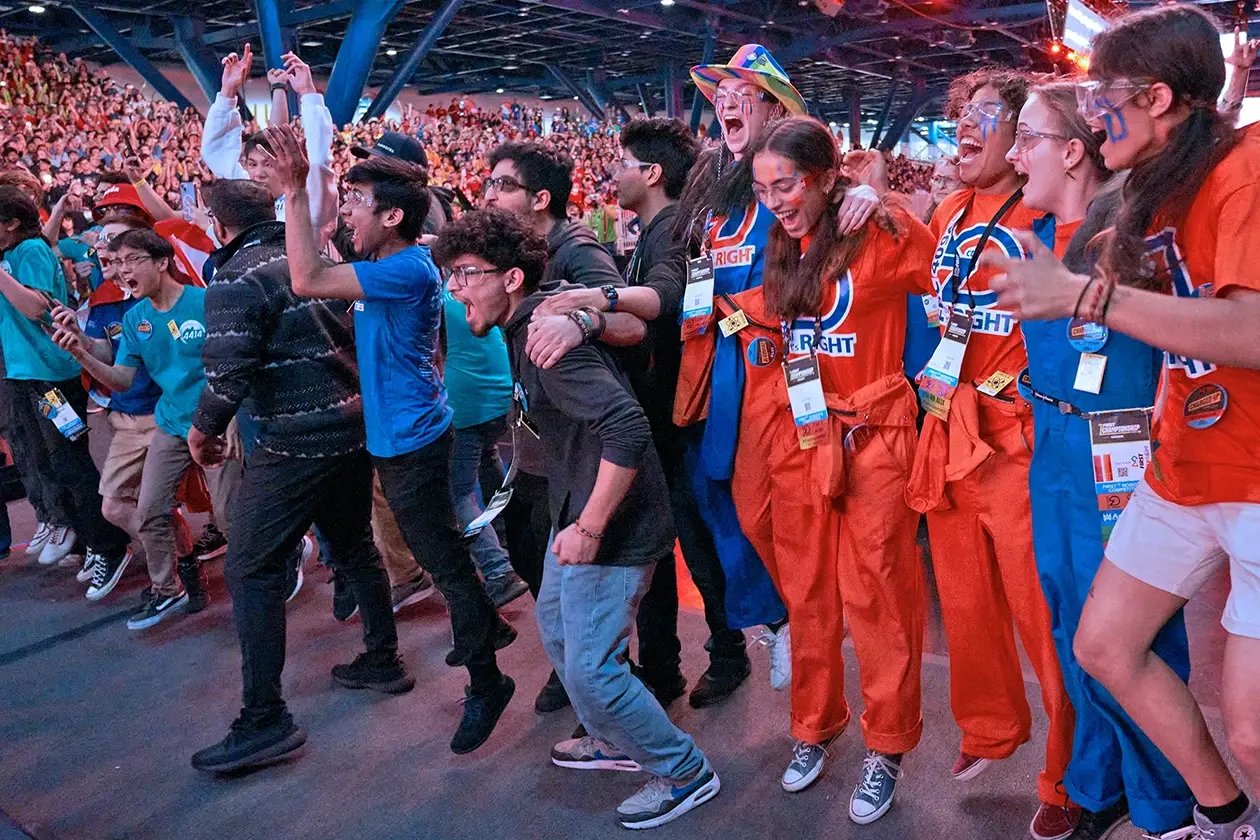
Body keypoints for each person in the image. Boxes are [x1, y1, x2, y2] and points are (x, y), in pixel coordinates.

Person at [985, 6, 1260, 836]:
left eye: (1099, 93)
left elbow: (1250, 331)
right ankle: (1223, 814)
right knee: (1103, 644)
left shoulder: (1244, 170)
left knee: (1252, 727)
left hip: (1254, 478)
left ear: (1158, 97)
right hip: (1186, 466)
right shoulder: (1153, 185)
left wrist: (1087, 296)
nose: (1090, 113)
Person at [434, 207, 720, 830]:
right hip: (576, 507)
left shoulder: (546, 341)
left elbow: (627, 428)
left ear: (511, 278)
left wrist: (589, 526)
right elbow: (629, 329)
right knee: (558, 628)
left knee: (592, 671)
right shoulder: (536, 319)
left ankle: (685, 771)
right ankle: (615, 739)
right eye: (450, 276)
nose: (455, 290)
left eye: (466, 274)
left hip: (613, 523)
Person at [269, 124, 514, 754]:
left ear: (394, 216)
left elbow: (306, 278)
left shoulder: (402, 269)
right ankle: (486, 627)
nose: (349, 212)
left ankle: (487, 680)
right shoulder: (390, 262)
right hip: (405, 431)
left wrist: (294, 191)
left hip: (411, 439)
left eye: (360, 203)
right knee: (444, 553)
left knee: (445, 562)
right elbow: (326, 250)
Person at [718, 116, 930, 822]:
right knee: (807, 594)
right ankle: (813, 724)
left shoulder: (876, 231)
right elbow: (773, 313)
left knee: (879, 597)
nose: (774, 201)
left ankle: (887, 745)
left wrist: (886, 200)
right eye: (762, 189)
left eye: (786, 185)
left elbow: (940, 266)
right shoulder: (785, 243)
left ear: (825, 177)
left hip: (873, 439)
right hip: (804, 436)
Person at [1003, 80, 1195, 840]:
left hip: (1119, 453)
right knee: (1067, 624)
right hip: (1053, 449)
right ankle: (1098, 781)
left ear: (1072, 152)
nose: (1015, 155)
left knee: (1133, 637)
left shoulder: (1133, 236)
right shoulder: (1033, 237)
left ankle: (1166, 802)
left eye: (1028, 139)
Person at [185, 178, 411, 774]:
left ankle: (264, 719)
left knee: (250, 566)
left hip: (295, 439)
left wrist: (203, 432)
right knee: (354, 545)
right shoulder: (313, 259)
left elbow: (227, 374)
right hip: (351, 427)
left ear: (218, 224)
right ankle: (383, 659)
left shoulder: (235, 277)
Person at [904, 67, 1076, 840]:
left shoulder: (1049, 210)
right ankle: (989, 726)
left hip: (1017, 439)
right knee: (965, 599)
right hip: (949, 427)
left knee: (1042, 612)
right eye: (960, 114)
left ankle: (1067, 774)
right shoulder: (945, 211)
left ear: (1022, 136)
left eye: (986, 114)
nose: (966, 127)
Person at [677, 44, 879, 690]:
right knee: (723, 496)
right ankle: (780, 618)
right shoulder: (715, 188)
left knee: (792, 510)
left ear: (777, 108)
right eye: (722, 95)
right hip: (721, 363)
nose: (728, 104)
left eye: (746, 94)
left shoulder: (798, 172)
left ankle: (807, 626)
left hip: (785, 365)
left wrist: (870, 191)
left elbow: (855, 181)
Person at [535, 116, 752, 709]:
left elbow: (668, 297)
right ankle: (664, 666)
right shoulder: (653, 229)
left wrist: (596, 299)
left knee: (696, 546)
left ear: (652, 173)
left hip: (678, 418)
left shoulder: (673, 231)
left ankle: (727, 654)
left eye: (622, 163)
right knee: (662, 549)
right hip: (663, 414)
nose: (611, 172)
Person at [480, 138, 644, 713]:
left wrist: (581, 322)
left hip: (589, 442)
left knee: (594, 586)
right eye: (488, 183)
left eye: (503, 185)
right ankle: (589, 680)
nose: (489, 194)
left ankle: (614, 687)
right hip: (548, 442)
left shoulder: (575, 250)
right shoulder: (518, 250)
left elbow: (632, 322)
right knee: (546, 576)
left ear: (541, 198)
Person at [50, 228, 240, 630]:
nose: (122, 270)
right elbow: (121, 380)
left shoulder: (204, 302)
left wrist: (232, 416)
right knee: (151, 510)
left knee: (228, 518)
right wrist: (80, 353)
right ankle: (168, 589)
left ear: (162, 262)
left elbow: (234, 364)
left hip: (215, 420)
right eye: (116, 262)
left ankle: (270, 568)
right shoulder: (135, 319)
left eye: (132, 260)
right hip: (171, 423)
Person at [0, 186, 131, 578]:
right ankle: (87, 541)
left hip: (52, 375)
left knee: (70, 461)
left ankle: (109, 546)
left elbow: (37, 307)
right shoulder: (12, 254)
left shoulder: (31, 251)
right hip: (27, 375)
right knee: (52, 462)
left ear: (11, 223)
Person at [200, 45, 338, 240]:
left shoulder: (307, 202)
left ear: (286, 165)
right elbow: (216, 150)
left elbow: (319, 158)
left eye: (268, 164)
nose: (259, 173)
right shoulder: (244, 194)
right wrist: (228, 90)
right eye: (252, 164)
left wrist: (308, 93)